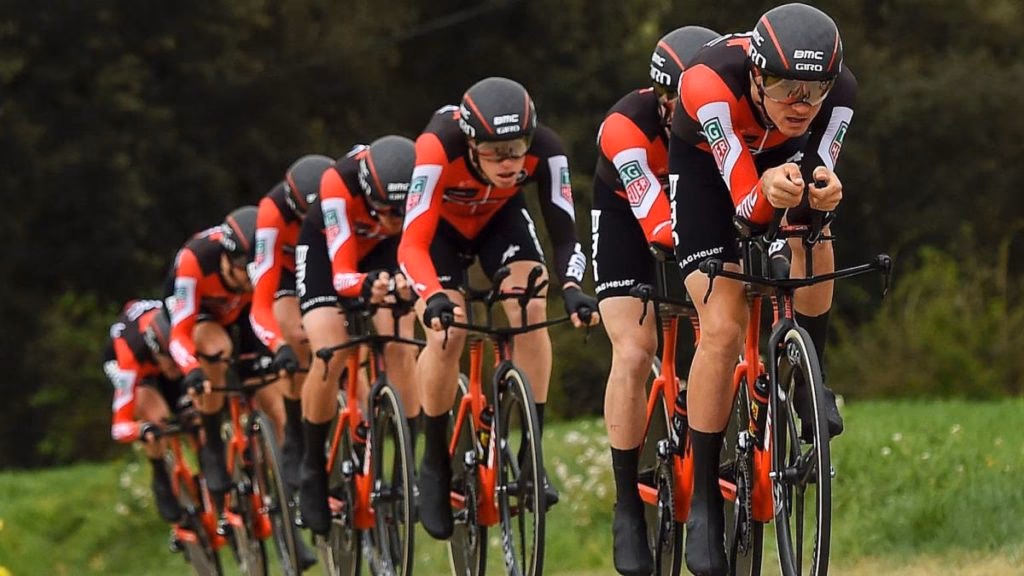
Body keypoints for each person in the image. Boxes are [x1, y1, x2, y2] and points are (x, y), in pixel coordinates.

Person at [667, 4, 855, 574]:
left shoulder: (841, 90)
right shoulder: (708, 82)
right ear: (755, 72)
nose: (798, 103)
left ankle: (809, 382)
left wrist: (819, 195)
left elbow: (819, 169)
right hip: (709, 172)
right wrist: (768, 193)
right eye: (781, 86)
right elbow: (747, 206)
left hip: (779, 164)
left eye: (813, 89)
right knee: (721, 328)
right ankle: (704, 500)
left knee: (817, 243)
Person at [397, 77, 599, 540]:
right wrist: (432, 299)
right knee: (449, 332)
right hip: (440, 235)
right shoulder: (436, 148)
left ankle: (531, 452)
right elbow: (411, 245)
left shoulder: (546, 149)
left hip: (498, 222)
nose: (511, 163)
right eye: (495, 152)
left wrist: (571, 286)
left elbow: (566, 235)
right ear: (470, 142)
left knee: (529, 303)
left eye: (517, 149)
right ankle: (434, 462)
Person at [592, 25, 718, 576]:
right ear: (660, 97)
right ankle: (626, 504)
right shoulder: (626, 125)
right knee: (634, 350)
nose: (684, 110)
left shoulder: (723, 116)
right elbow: (650, 210)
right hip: (629, 218)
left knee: (721, 328)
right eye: (675, 102)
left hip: (696, 207)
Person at [296, 135, 420, 536]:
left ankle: (405, 464)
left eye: (403, 212)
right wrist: (366, 287)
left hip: (385, 253)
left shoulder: (409, 206)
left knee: (401, 340)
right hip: (329, 252)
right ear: (369, 192)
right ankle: (312, 469)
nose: (393, 220)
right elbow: (343, 272)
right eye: (385, 210)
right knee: (330, 351)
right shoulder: (338, 183)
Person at [165, 206, 288, 505]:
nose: (247, 282)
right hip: (202, 313)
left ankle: (286, 484)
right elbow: (179, 335)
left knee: (274, 396)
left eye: (253, 277)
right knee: (216, 351)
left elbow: (265, 314)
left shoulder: (260, 268)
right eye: (241, 275)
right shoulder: (195, 261)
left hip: (248, 313)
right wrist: (192, 368)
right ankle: (213, 445)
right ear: (225, 261)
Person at [249, 154, 334, 492]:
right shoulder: (272, 212)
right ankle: (295, 435)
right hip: (284, 271)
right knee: (295, 333)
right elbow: (261, 299)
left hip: (325, 260)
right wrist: (278, 345)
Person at [103, 299, 184, 524]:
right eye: (171, 362)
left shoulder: (179, 326)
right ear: (156, 352)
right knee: (156, 418)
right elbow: (119, 427)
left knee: (194, 407)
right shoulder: (130, 354)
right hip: (129, 366)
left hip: (165, 341)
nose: (176, 366)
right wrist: (141, 428)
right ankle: (160, 474)